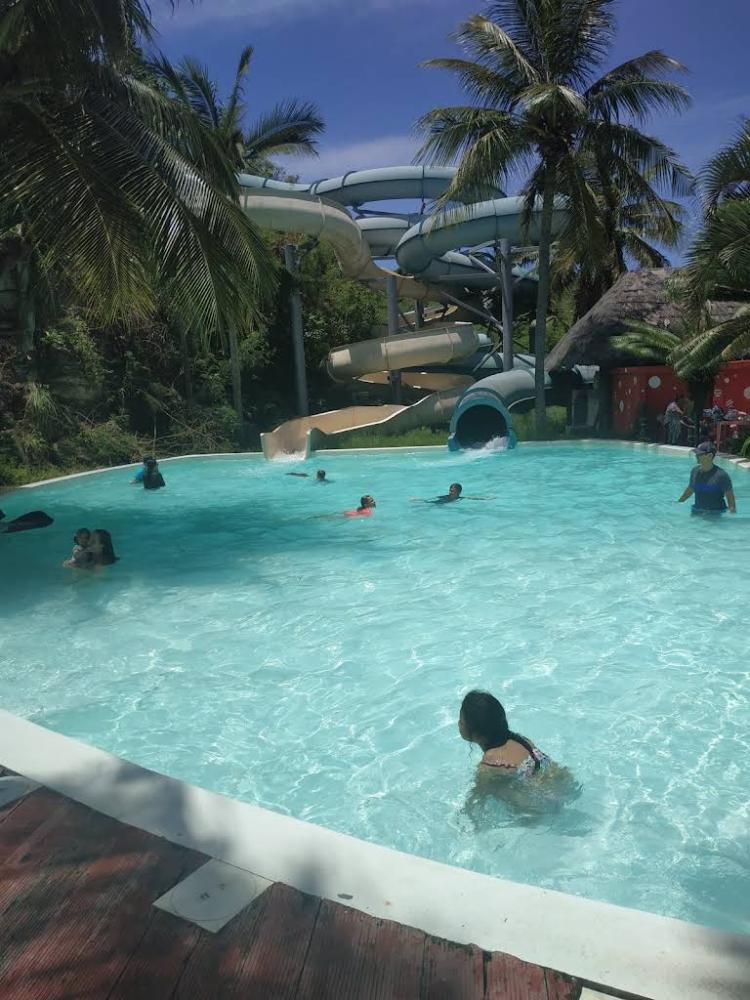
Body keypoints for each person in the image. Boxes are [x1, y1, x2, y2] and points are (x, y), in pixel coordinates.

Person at [458, 690, 551, 779]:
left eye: (461, 722)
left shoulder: (488, 767)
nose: (458, 724)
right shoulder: (523, 741)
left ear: (477, 733)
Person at [677, 442, 736, 515]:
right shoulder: (695, 471)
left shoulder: (722, 475)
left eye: (699, 454)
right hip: (697, 510)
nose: (696, 456)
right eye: (696, 453)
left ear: (710, 456)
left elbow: (730, 498)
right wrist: (679, 502)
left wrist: (732, 515)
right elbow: (691, 489)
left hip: (715, 513)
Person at [411, 483, 494, 504]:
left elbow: (473, 498)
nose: (450, 492)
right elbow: (429, 500)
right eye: (450, 490)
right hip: (439, 503)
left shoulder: (460, 498)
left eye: (453, 491)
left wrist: (487, 499)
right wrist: (419, 500)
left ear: (459, 492)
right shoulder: (445, 497)